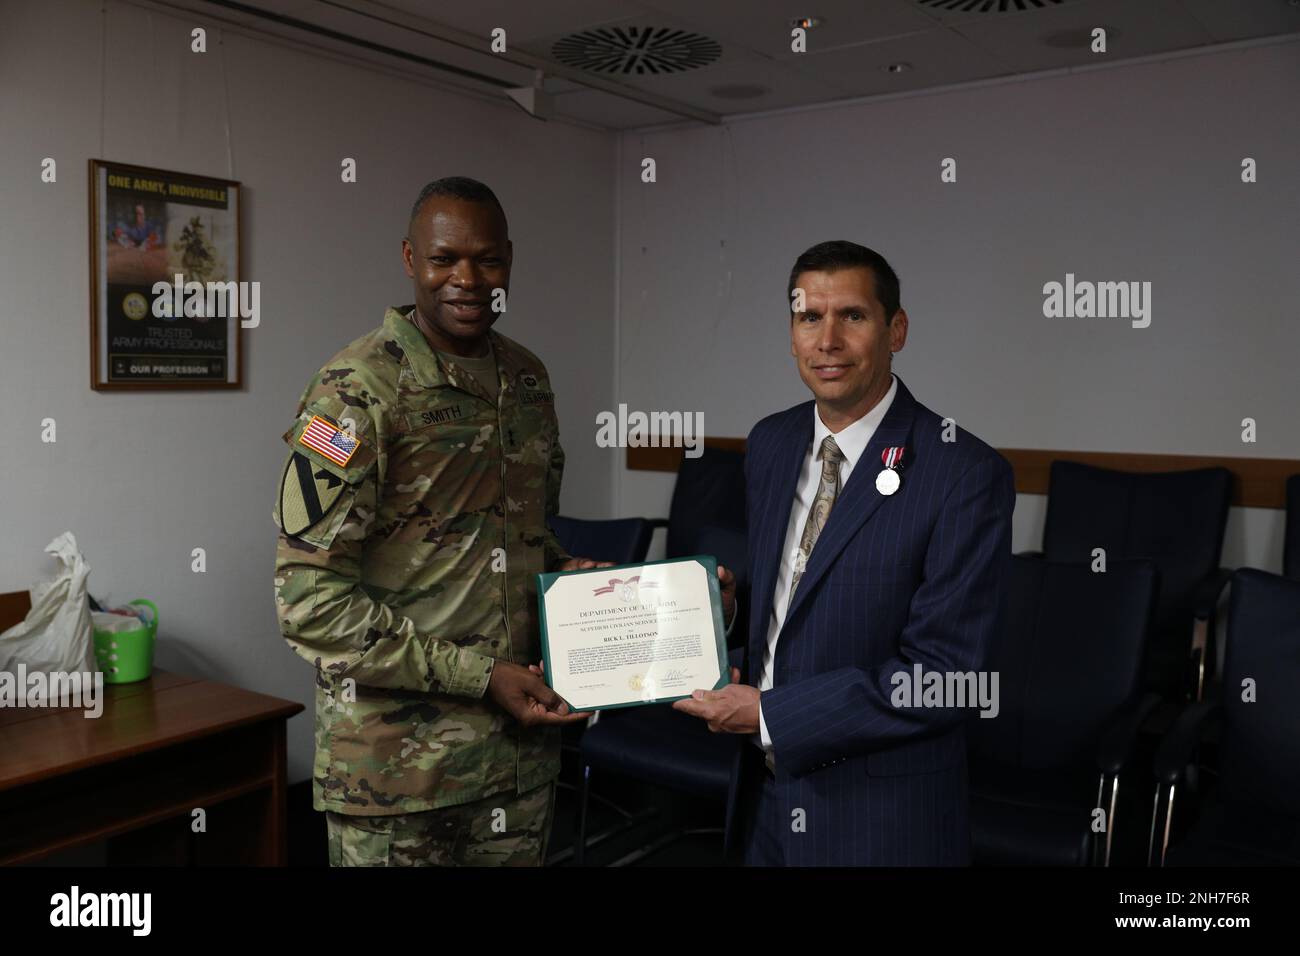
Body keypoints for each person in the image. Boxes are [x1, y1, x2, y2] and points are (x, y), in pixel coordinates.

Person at [272, 176, 604, 866]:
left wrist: (572, 587)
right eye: (444, 259)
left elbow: (522, 540)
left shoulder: (527, 380)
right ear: (408, 259)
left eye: (487, 260)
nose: (467, 279)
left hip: (517, 764)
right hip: (397, 782)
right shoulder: (354, 392)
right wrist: (481, 676)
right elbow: (309, 604)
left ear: (508, 261)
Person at [674, 241, 1015, 865]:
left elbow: (948, 677)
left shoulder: (963, 471)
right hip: (765, 797)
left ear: (897, 329)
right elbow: (792, 603)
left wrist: (773, 715)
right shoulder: (772, 442)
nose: (827, 340)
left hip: (878, 817)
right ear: (792, 332)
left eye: (852, 316)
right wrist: (724, 611)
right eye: (809, 317)